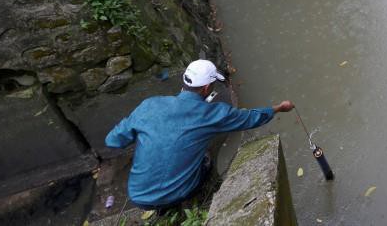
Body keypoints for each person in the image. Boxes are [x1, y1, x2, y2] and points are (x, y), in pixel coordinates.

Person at [105, 59, 293, 210]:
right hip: (179, 193)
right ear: (205, 89)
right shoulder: (212, 114)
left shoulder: (149, 105)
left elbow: (113, 140)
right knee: (206, 157)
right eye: (212, 85)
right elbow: (251, 118)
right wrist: (279, 108)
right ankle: (195, 197)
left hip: (138, 197)